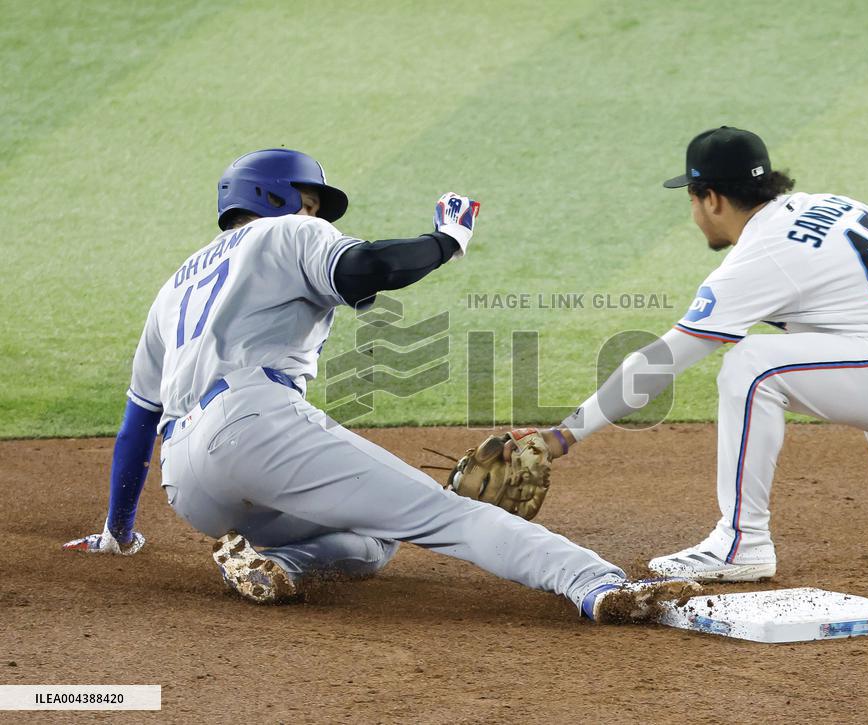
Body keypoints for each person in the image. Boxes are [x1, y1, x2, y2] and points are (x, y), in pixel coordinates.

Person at [62, 148, 695, 622]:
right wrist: (445, 240)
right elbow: (368, 266)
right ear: (275, 198)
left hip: (189, 484)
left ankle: (279, 565)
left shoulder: (172, 288)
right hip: (252, 424)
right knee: (445, 516)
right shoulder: (288, 232)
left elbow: (137, 422)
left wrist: (119, 532)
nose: (316, 213)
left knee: (373, 540)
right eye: (309, 200)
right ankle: (598, 584)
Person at [537, 126, 868, 581]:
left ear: (711, 198)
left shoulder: (760, 256)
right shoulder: (832, 205)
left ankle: (742, 543)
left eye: (692, 199)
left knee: (752, 365)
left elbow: (661, 360)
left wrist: (563, 435)